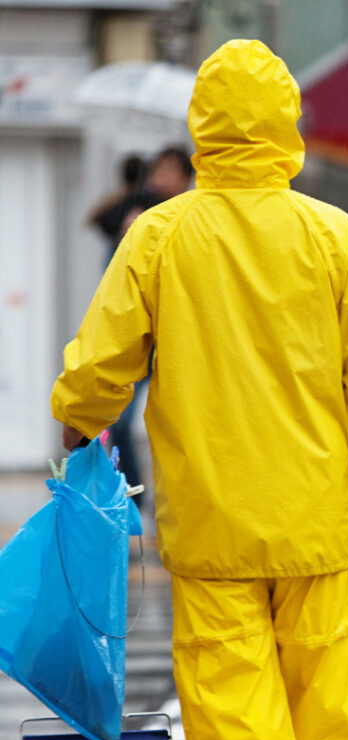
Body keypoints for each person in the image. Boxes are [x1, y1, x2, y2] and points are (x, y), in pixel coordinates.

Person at [51, 39, 348, 740]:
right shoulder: (333, 234)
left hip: (210, 510)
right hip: (313, 511)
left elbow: (104, 359)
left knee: (230, 679)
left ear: (205, 128)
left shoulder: (162, 235)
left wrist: (79, 424)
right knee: (321, 677)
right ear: (287, 126)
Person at [107, 146, 194, 500]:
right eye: (158, 169)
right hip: (143, 341)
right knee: (123, 422)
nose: (161, 176)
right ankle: (135, 496)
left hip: (180, 341)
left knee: (184, 427)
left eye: (169, 170)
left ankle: (179, 498)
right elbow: (116, 291)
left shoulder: (194, 218)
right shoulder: (139, 213)